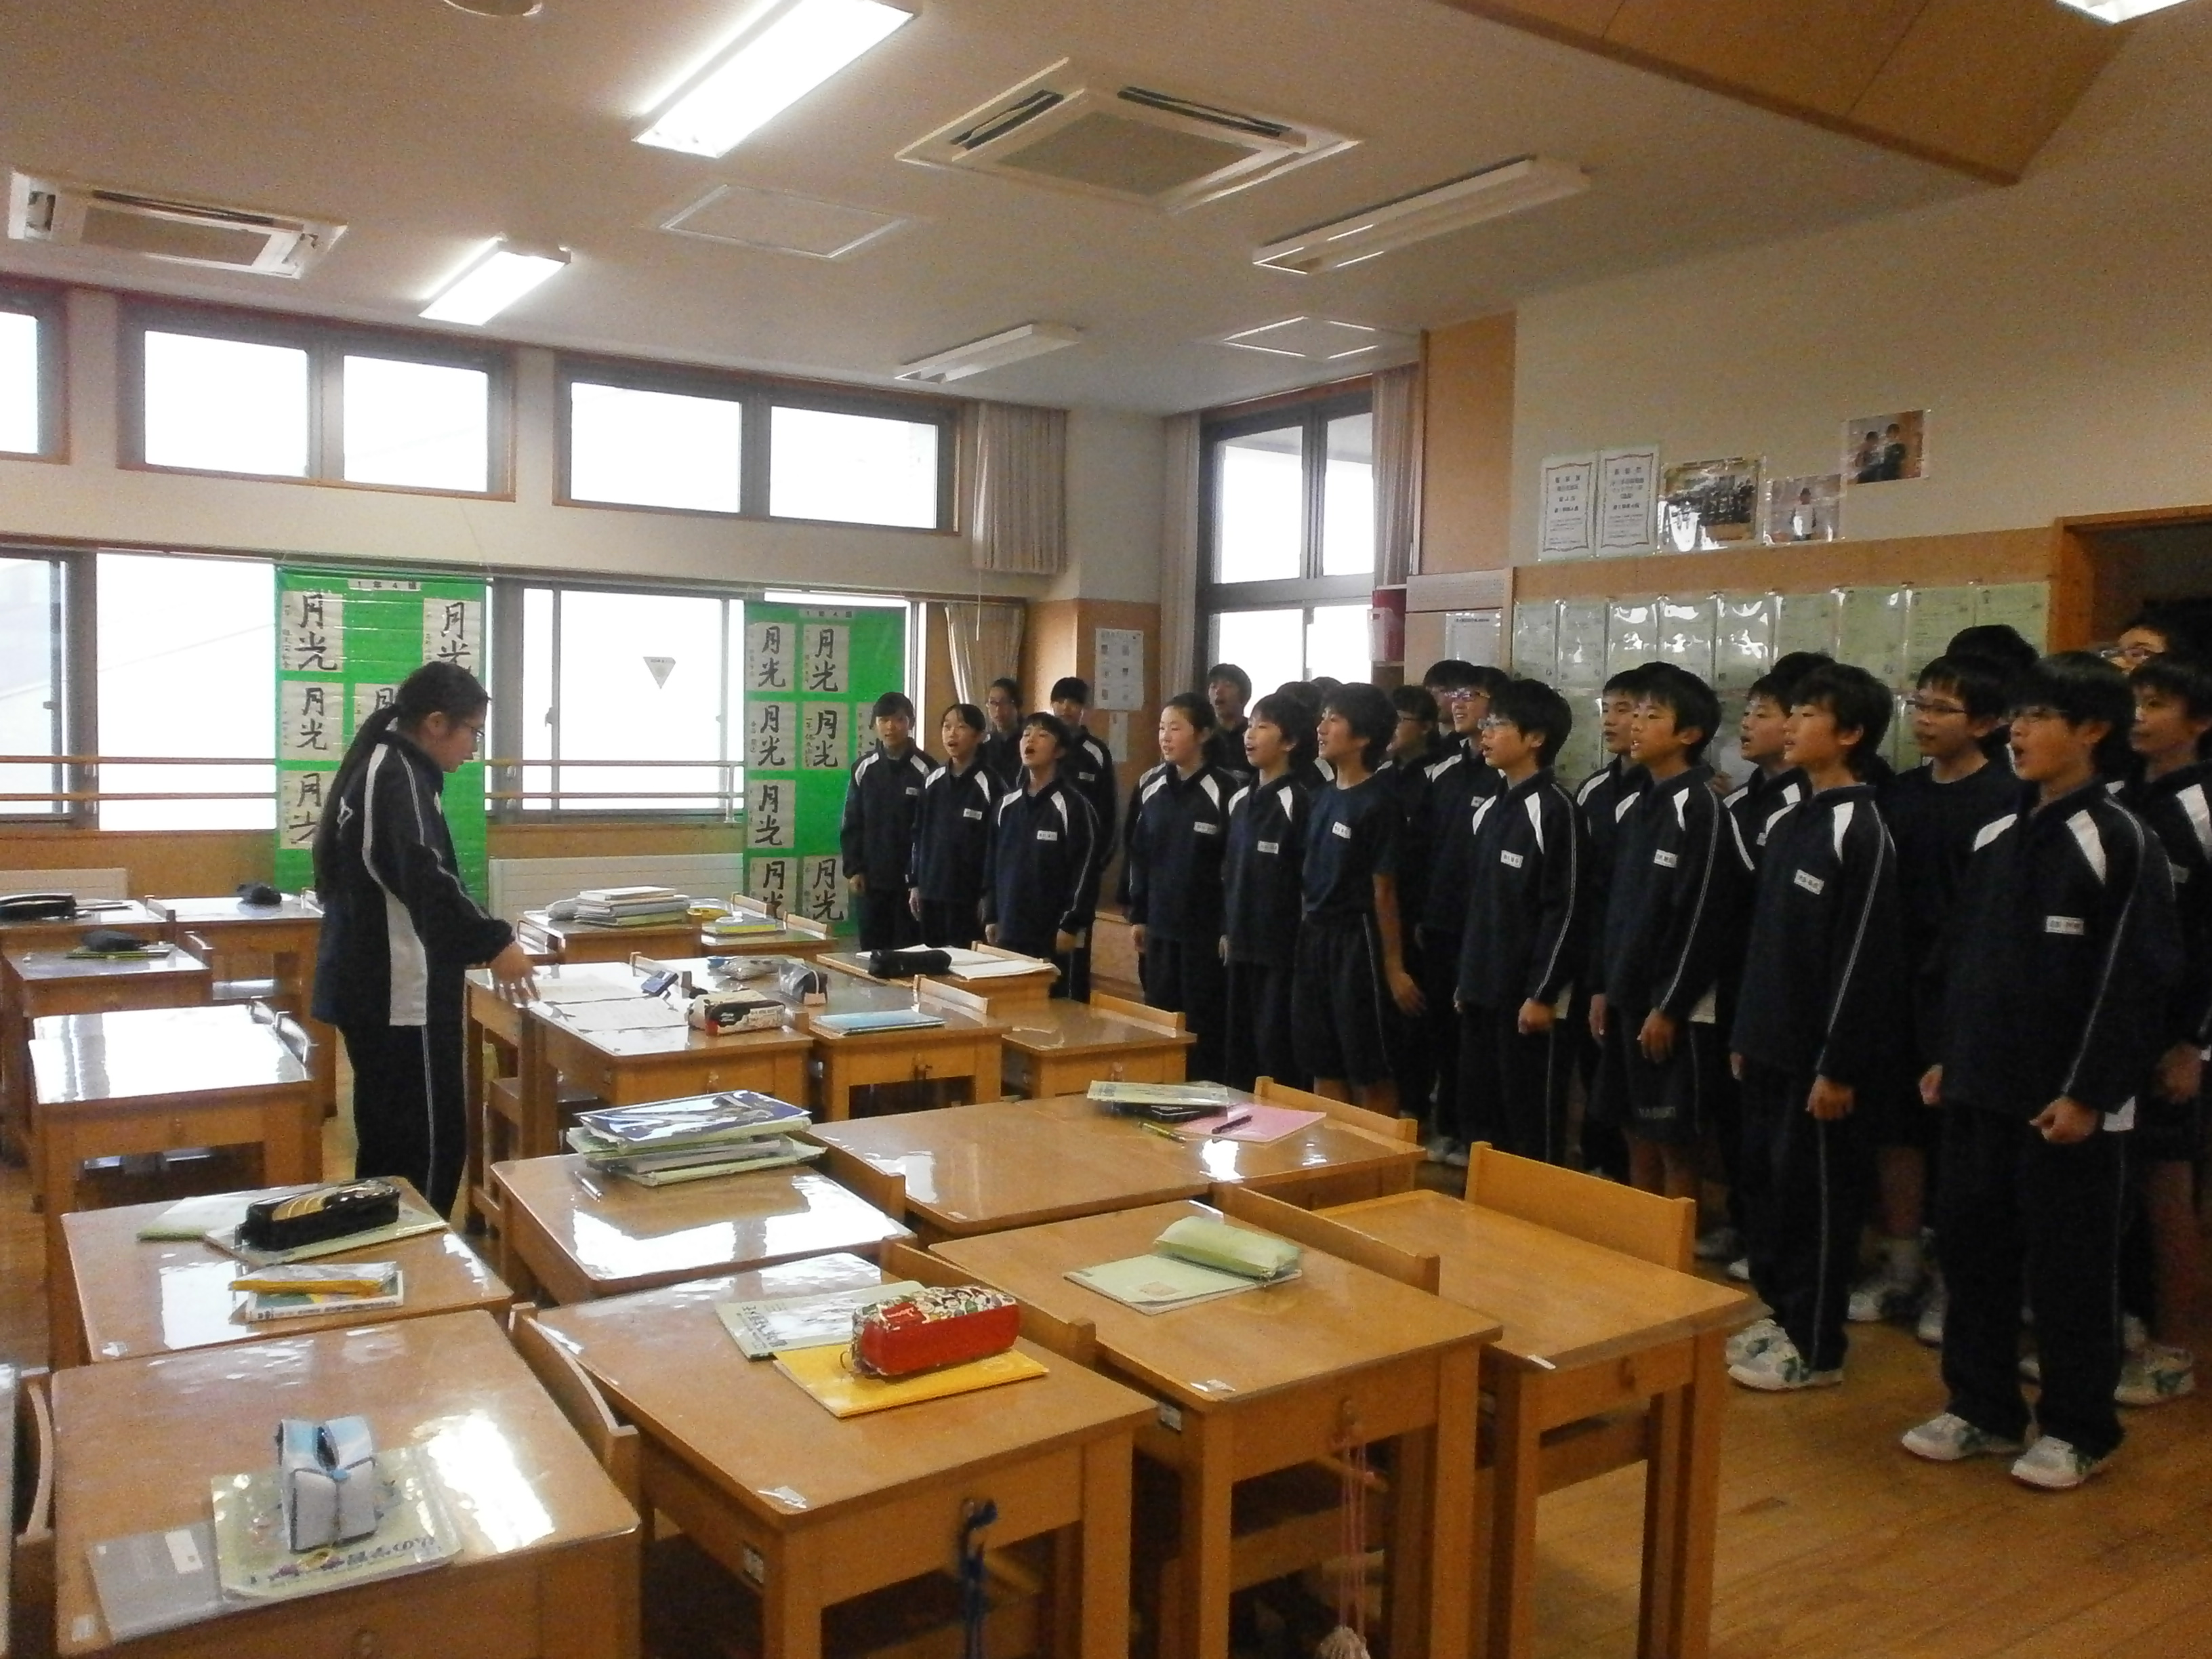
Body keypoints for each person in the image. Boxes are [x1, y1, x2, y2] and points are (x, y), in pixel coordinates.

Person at [1904, 653, 2179, 1490]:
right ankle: (1982, 1407)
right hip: (1980, 1090)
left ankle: (2080, 1427)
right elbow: (1962, 964)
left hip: (2070, 1107)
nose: (2019, 733)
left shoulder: (2121, 838)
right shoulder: (1998, 835)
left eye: (2037, 718)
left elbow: (2135, 982)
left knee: (2070, 1273)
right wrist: (1947, 1055)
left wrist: (2089, 1093)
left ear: (2091, 729)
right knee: (1972, 1254)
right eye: (2016, 717)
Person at [1725, 664, 1908, 1391]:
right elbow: (1766, 941)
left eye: (1809, 715)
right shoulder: (1789, 817)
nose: (1792, 726)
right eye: (1791, 713)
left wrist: (1838, 1066)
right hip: (1767, 1046)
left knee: (1818, 1203)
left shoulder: (1861, 829)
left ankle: (1818, 1346)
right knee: (1769, 1194)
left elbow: (1864, 960)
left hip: (1820, 1064)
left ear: (1852, 733)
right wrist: (1746, 1033)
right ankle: (1784, 1314)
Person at [310, 661, 535, 1218]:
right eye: (472, 732)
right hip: (397, 991)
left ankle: (394, 1248)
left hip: (375, 984)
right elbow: (425, 875)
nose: (473, 748)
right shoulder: (397, 776)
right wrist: (494, 941)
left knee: (390, 1139)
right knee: (425, 1145)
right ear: (436, 723)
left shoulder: (389, 765)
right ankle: (422, 1252)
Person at [1860, 653, 2015, 1343]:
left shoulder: (2006, 799)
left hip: (1964, 992)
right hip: (1896, 986)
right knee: (1896, 1132)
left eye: (1940, 709)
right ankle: (1902, 1268)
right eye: (1918, 704)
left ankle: (1957, 1284)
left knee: (1958, 1145)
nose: (1922, 720)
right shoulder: (1899, 794)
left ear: (1985, 723)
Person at [1590, 665, 1751, 1202]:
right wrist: (1604, 988)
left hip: (1675, 1006)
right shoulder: (1639, 803)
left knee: (1674, 1137)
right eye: (1634, 713)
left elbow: (1704, 918)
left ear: (1689, 734)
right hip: (1627, 996)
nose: (1635, 724)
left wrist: (1670, 1006)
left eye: (1651, 715)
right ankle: (1644, 1237)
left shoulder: (1701, 808)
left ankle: (1678, 1246)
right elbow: (1618, 910)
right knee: (1633, 1125)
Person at [2114, 654, 2212, 1405]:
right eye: (2135, 702)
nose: (2140, 716)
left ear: (2200, 722)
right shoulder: (2119, 799)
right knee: (2113, 1189)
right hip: (2114, 1029)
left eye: (2158, 704)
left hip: (2176, 1039)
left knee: (2167, 1192)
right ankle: (2123, 1329)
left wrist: (2194, 1044)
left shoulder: (2203, 809)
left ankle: (2176, 1349)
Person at [1454, 678, 1585, 1164]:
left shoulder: (1556, 810)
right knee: (1482, 1119)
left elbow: (1567, 909)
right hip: (1482, 991)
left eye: (1499, 724)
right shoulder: (1489, 809)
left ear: (1535, 738)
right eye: (1486, 723)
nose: (1486, 733)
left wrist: (1542, 993)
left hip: (1528, 999)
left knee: (1530, 1125)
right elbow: (1480, 906)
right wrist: (1468, 979)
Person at [1292, 683, 1422, 1111]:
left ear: (1363, 737)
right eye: (1322, 718)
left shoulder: (1380, 803)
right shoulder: (1321, 797)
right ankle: (1330, 1148)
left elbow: (1385, 892)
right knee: (1322, 1059)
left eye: (1334, 720)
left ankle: (1381, 1151)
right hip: (1315, 935)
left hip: (1358, 941)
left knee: (1368, 1065)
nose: (1321, 727)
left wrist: (1394, 968)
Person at [1406, 664, 1509, 1164]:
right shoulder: (1442, 771)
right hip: (1441, 924)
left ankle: (1481, 1139)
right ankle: (1447, 1126)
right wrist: (1422, 914)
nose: (1461, 702)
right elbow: (1422, 850)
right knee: (1443, 1034)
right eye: (1458, 694)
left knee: (1480, 1041)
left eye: (1476, 694)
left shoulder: (1507, 777)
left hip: (1485, 930)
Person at [1572, 665, 1655, 1181]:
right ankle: (1600, 1161)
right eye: (1607, 709)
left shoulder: (1676, 796)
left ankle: (1633, 1181)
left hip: (1636, 956)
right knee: (1594, 1062)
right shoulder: (1593, 789)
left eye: (1626, 710)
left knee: (1638, 1084)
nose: (1612, 721)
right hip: (1593, 945)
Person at [1126, 693, 1232, 1080]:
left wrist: (1227, 926)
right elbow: (1139, 855)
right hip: (1159, 927)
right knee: (1160, 1018)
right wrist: (1139, 914)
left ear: (1202, 734)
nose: (1165, 737)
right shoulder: (1151, 785)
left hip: (1204, 934)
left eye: (1176, 728)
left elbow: (1232, 866)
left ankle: (1203, 1097)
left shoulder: (1226, 790)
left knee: (1202, 1024)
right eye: (1161, 728)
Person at [1221, 693, 1312, 1090]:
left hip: (1281, 948)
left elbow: (1307, 878)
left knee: (1275, 1050)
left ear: (1289, 741)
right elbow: (1230, 872)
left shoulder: (1300, 801)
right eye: (1250, 725)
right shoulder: (1239, 800)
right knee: (1240, 1049)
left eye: (1263, 727)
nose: (1250, 734)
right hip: (1241, 942)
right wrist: (1226, 928)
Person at [981, 712, 1099, 998]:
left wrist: (1071, 924)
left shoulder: (1074, 807)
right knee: (1011, 1007)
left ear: (1059, 751)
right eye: (1026, 734)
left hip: (1054, 934)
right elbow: (993, 864)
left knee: (1056, 1013)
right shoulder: (1006, 806)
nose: (1030, 740)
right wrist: (992, 915)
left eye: (1042, 735)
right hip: (1010, 929)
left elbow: (1086, 870)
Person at [840, 692, 933, 951]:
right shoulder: (863, 768)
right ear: (874, 725)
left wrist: (919, 880)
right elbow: (852, 821)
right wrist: (854, 868)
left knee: (909, 952)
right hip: (871, 881)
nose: (891, 726)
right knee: (872, 952)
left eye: (899, 719)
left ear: (911, 723)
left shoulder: (927, 769)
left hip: (910, 885)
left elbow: (929, 832)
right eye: (884, 720)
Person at [908, 702, 999, 949]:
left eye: (961, 727)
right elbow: (919, 835)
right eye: (947, 727)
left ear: (979, 736)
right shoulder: (932, 780)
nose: (952, 734)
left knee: (965, 962)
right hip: (931, 891)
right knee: (931, 961)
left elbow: (997, 846)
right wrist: (915, 884)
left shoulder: (991, 784)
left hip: (969, 897)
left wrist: (989, 897)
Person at [1050, 676, 1117, 998]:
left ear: (1085, 709)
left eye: (1074, 702)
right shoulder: (1041, 746)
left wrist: (1095, 866)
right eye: (1060, 700)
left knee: (1074, 959)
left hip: (1081, 871)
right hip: (1043, 869)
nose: (1066, 707)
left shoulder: (1097, 752)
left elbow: (1110, 815)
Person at [1201, 663, 1253, 782]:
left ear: (1244, 696)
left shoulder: (1254, 734)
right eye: (1213, 686)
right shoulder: (1202, 735)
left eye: (1228, 685)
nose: (1218, 691)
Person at [981, 676, 1025, 790]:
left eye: (1004, 702)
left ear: (1017, 705)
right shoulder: (984, 745)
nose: (997, 709)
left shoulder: (1028, 740)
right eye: (992, 703)